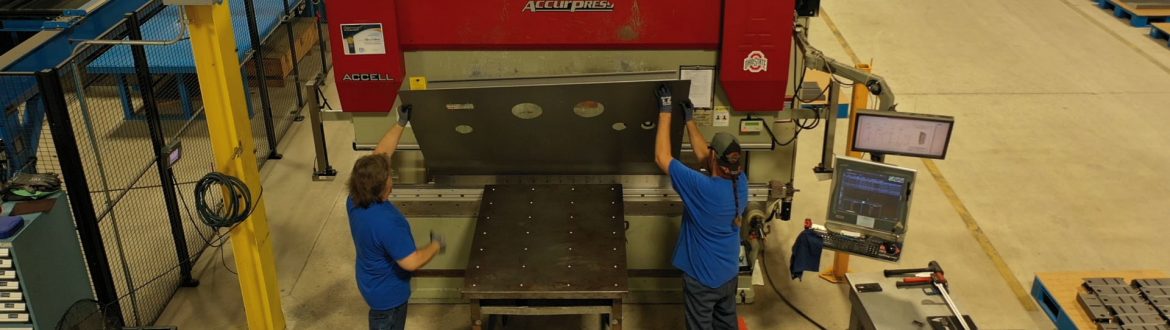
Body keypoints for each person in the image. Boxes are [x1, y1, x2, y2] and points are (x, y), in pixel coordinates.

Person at [653, 84, 748, 330]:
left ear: (715, 157)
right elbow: (705, 156)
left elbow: (662, 157)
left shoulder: (702, 188)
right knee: (726, 325)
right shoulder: (741, 181)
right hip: (728, 274)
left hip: (703, 278)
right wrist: (690, 121)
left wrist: (665, 111)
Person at [346, 105, 446, 330]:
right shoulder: (386, 223)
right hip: (388, 299)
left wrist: (401, 123)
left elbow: (380, 155)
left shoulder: (355, 198)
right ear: (384, 188)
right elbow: (411, 262)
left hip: (371, 283)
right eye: (388, 175)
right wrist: (435, 245)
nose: (391, 175)